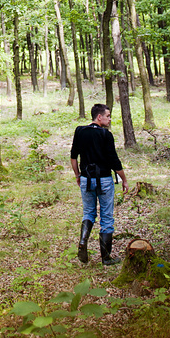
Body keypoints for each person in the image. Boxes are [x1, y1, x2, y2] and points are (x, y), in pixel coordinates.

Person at [70, 103, 129, 266]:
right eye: (108, 116)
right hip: (104, 180)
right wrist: (123, 179)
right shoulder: (106, 135)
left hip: (86, 179)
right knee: (107, 217)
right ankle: (106, 257)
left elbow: (73, 156)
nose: (109, 119)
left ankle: (83, 241)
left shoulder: (80, 131)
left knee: (88, 212)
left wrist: (77, 175)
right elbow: (114, 160)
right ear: (99, 117)